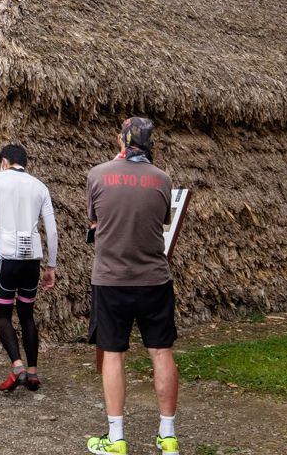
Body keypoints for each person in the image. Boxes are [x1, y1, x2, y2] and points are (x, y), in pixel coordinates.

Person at [85, 118, 179, 455]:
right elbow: (163, 221)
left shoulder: (97, 175)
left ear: (120, 140)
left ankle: (117, 438)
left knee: (113, 354)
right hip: (154, 278)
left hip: (111, 279)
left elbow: (94, 221)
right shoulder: (163, 179)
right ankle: (167, 436)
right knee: (161, 352)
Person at [0, 143, 58, 391]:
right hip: (32, 259)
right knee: (27, 314)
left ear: (4, 161)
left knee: (2, 315)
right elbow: (53, 230)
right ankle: (33, 373)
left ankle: (18, 367)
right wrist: (51, 265)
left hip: (7, 255)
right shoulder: (39, 186)